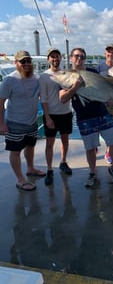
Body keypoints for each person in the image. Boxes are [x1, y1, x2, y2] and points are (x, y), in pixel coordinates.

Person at [59, 47, 113, 187]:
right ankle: (92, 173)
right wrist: (75, 87)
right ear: (71, 58)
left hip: (102, 113)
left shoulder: (92, 72)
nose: (79, 59)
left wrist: (109, 99)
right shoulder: (66, 75)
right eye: (76, 56)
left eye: (81, 56)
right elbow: (62, 98)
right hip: (84, 117)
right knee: (91, 148)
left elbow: (104, 88)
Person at [0, 50, 46, 191]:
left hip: (32, 122)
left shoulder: (37, 78)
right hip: (15, 123)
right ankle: (20, 179)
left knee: (30, 147)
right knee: (15, 151)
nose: (26, 64)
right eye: (23, 61)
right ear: (16, 63)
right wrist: (1, 124)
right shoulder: (10, 80)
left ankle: (30, 168)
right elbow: (1, 102)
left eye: (28, 61)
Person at [39, 48, 73, 186]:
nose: (55, 59)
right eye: (52, 57)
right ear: (48, 59)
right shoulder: (44, 76)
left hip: (66, 112)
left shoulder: (67, 74)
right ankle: (49, 169)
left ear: (61, 58)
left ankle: (63, 162)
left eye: (57, 56)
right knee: (50, 143)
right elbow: (44, 99)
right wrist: (47, 117)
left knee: (65, 140)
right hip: (52, 114)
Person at [95, 43, 113, 165]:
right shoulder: (99, 68)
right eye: (108, 52)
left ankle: (108, 152)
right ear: (105, 54)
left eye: (112, 52)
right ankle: (95, 146)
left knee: (111, 129)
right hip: (100, 103)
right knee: (98, 127)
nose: (110, 54)